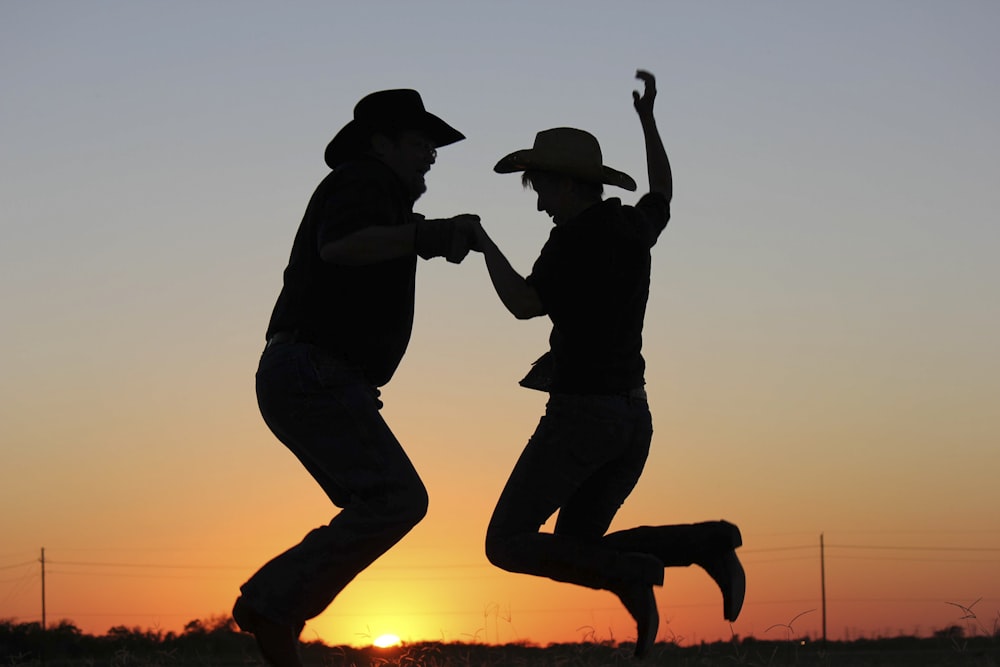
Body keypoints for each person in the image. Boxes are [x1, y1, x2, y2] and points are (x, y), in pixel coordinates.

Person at [471, 71, 745, 659]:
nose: (539, 200)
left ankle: (632, 576)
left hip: (582, 418)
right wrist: (648, 120)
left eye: (541, 186)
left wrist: (481, 242)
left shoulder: (571, 243)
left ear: (567, 185)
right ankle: (708, 545)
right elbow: (664, 193)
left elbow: (523, 304)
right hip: (632, 419)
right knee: (578, 545)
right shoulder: (630, 226)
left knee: (507, 543)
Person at [232, 89, 479, 667]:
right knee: (396, 498)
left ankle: (277, 613)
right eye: (421, 143)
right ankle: (273, 603)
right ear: (381, 144)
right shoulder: (363, 181)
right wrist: (424, 237)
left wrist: (425, 233)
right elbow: (340, 246)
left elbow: (365, 244)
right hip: (312, 372)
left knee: (380, 499)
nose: (431, 158)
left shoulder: (380, 198)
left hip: (313, 374)